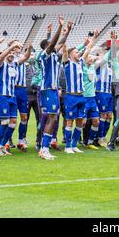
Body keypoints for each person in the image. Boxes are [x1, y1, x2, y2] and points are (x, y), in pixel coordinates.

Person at [0, 40, 29, 156]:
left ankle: (3, 145)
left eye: (13, 53)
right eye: (10, 53)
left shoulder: (14, 65)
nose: (12, 54)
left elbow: (25, 58)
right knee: (4, 122)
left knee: (13, 123)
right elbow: (1, 56)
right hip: (2, 96)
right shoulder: (0, 65)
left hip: (12, 97)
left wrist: (29, 48)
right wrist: (11, 47)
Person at [38, 15, 66, 160]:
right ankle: (44, 148)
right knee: (52, 118)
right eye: (50, 44)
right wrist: (60, 27)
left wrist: (67, 32)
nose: (54, 45)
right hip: (48, 89)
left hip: (53, 90)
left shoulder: (54, 55)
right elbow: (55, 42)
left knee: (53, 118)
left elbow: (60, 43)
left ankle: (44, 147)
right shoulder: (45, 55)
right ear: (46, 47)